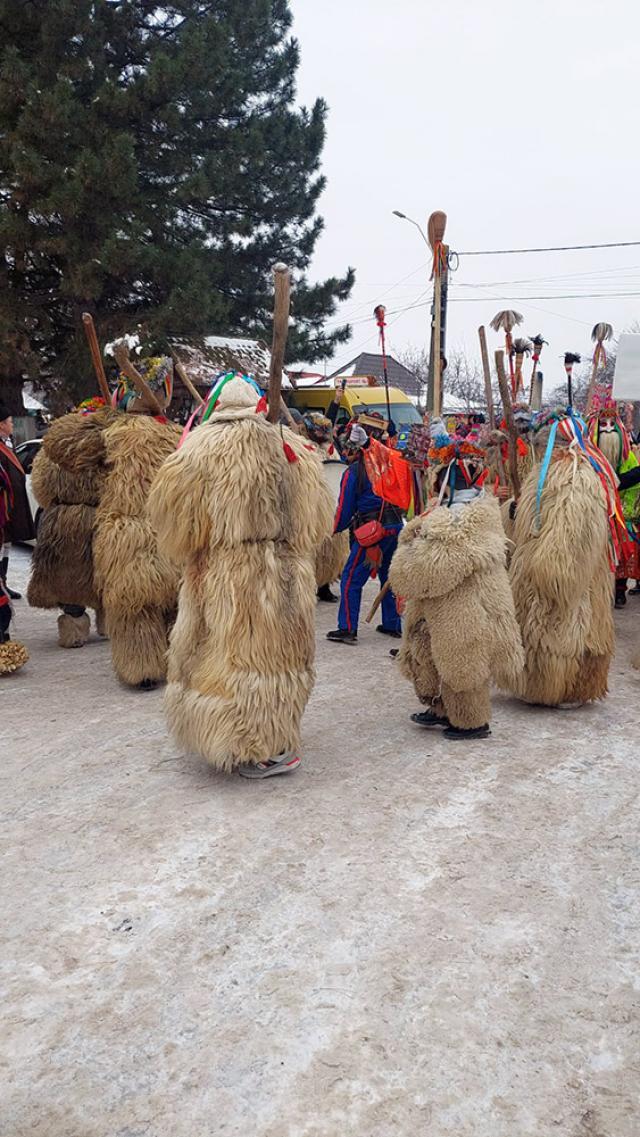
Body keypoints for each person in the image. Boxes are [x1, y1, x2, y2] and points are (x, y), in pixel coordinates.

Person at [147, 373, 333, 778]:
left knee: (230, 657)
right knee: (278, 659)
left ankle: (253, 746)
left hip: (226, 575)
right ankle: (272, 739)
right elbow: (317, 522)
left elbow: (179, 526)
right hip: (285, 574)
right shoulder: (292, 448)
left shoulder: (198, 450)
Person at [44, 348, 181, 689]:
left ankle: (144, 667)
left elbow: (59, 447)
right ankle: (178, 662)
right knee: (174, 604)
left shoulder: (112, 435)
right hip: (170, 533)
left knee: (135, 607)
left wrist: (97, 421)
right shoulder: (180, 435)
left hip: (127, 534)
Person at [389, 422, 523, 740]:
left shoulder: (460, 522)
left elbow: (426, 570)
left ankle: (471, 721)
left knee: (462, 666)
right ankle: (440, 708)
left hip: (466, 610)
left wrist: (408, 545)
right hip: (446, 607)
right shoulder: (462, 511)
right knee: (430, 654)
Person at [507, 408, 620, 707]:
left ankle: (567, 687)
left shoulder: (573, 478)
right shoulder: (556, 473)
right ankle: (548, 684)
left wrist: (546, 570)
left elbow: (571, 535)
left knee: (567, 630)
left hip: (561, 582)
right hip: (540, 570)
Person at [27, 398, 118, 646]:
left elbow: (41, 487)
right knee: (102, 573)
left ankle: (73, 626)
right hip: (98, 516)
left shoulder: (51, 452)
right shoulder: (105, 448)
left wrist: (57, 507)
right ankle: (107, 623)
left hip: (63, 519)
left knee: (70, 574)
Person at [326, 423, 402, 645]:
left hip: (372, 532)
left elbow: (344, 509)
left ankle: (348, 628)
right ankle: (392, 623)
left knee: (350, 579)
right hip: (396, 527)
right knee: (390, 576)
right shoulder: (391, 464)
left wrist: (334, 529)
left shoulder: (355, 472)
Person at [587, 392, 640, 606]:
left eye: (612, 424)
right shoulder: (588, 457)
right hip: (595, 509)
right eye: (603, 424)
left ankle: (619, 589)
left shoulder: (628, 457)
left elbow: (636, 474)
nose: (608, 428)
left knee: (625, 545)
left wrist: (617, 481)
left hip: (621, 512)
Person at [0, 402, 36, 598]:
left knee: (7, 544)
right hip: (2, 503)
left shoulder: (8, 442)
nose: (12, 425)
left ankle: (3, 582)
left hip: (11, 503)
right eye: (10, 422)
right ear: (1, 425)